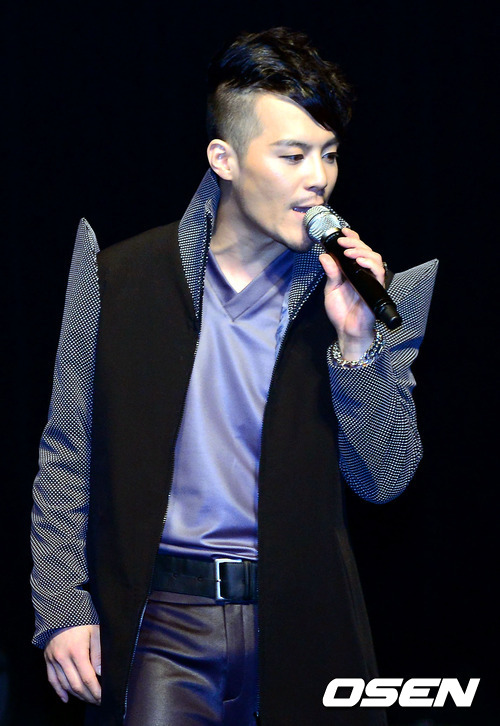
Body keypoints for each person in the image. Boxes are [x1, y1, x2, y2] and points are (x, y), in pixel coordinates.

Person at [31, 27, 438, 726]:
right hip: (163, 621)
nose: (318, 178)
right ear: (224, 158)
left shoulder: (372, 292)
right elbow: (68, 450)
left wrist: (356, 345)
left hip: (300, 622)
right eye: (292, 155)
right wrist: (62, 604)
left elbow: (386, 478)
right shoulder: (118, 275)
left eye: (329, 154)